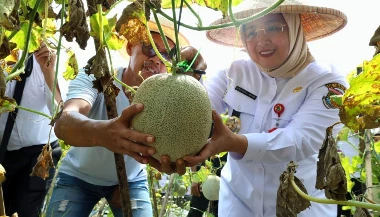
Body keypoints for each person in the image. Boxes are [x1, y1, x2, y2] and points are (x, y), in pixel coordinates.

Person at [182, 2, 349, 217]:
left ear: (295, 28)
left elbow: (301, 140)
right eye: (250, 32)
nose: (261, 40)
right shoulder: (234, 72)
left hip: (303, 209)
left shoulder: (329, 83)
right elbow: (199, 109)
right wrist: (187, 81)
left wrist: (234, 143)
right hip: (237, 205)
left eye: (273, 27)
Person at [46, 19, 198, 217]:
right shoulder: (97, 74)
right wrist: (102, 134)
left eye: (167, 54)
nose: (158, 59)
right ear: (129, 47)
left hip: (131, 179)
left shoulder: (168, 98)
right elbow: (64, 122)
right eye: (150, 48)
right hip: (77, 176)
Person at [0, 43, 63, 217]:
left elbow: (60, 116)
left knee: (26, 211)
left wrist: (49, 72)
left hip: (39, 152)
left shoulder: (45, 53)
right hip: (4, 152)